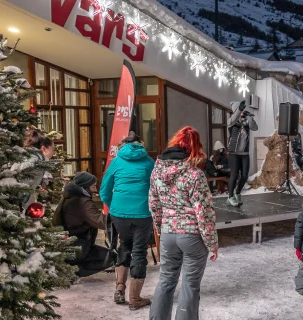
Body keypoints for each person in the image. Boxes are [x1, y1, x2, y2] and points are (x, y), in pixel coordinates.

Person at [148, 126, 218, 320]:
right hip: (192, 237)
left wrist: (162, 227)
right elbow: (204, 213)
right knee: (190, 285)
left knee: (166, 280)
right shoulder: (195, 175)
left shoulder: (156, 173)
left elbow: (153, 204)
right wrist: (212, 243)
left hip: (169, 234)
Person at [99, 132, 155, 310]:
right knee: (139, 252)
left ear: (123, 145)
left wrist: (114, 206)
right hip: (142, 212)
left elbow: (104, 191)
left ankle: (120, 288)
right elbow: (156, 188)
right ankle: (135, 298)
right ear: (141, 144)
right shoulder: (148, 162)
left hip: (119, 213)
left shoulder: (116, 161)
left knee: (124, 245)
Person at [54, 172, 109, 277]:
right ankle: (71, 272)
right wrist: (119, 219)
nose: (95, 184)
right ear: (85, 185)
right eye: (92, 182)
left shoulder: (70, 197)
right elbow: (100, 221)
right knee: (110, 257)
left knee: (108, 256)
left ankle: (69, 268)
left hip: (70, 242)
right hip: (77, 245)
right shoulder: (83, 201)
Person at [227, 100, 258, 207]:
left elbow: (255, 127)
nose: (241, 111)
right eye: (239, 109)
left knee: (244, 176)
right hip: (234, 153)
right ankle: (230, 196)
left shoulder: (246, 122)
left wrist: (249, 116)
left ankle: (237, 193)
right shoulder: (231, 122)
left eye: (242, 109)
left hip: (244, 153)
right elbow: (234, 119)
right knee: (234, 174)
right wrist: (239, 110)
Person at [21, 129, 56, 211]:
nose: (54, 153)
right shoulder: (35, 160)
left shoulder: (35, 158)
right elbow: (25, 185)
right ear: (44, 148)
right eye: (52, 149)